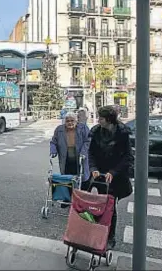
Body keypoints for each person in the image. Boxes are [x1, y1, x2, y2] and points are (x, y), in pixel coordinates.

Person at [88, 106, 133, 249]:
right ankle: (99, 232)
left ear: (109, 120)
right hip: (101, 175)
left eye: (100, 118)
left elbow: (127, 157)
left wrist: (113, 172)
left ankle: (110, 236)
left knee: (110, 207)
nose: (98, 120)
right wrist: (93, 168)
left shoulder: (122, 132)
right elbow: (91, 153)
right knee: (100, 205)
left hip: (116, 176)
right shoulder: (96, 131)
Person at [50, 112, 91, 196]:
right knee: (67, 177)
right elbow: (53, 142)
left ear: (76, 121)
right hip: (66, 158)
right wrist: (53, 151)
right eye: (67, 121)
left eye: (72, 120)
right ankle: (67, 198)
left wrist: (83, 152)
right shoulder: (59, 129)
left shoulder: (83, 128)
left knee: (82, 177)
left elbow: (88, 141)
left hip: (80, 157)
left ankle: (81, 198)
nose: (70, 123)